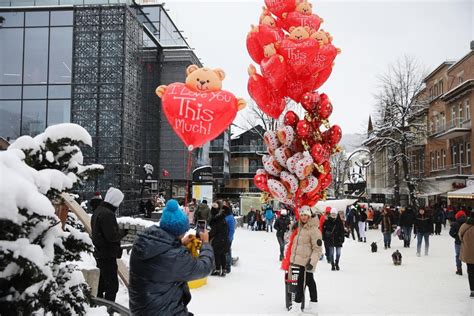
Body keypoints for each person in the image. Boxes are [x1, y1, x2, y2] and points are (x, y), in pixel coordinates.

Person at [129, 199, 214, 315]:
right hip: (163, 311)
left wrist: (179, 243)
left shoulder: (143, 242)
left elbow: (162, 259)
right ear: (179, 231)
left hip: (141, 308)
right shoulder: (174, 257)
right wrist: (205, 243)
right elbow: (204, 267)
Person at [91, 187, 128, 302]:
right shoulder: (107, 214)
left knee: (102, 284)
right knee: (112, 286)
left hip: (100, 253)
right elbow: (111, 236)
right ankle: (108, 309)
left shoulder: (98, 211)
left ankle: (99, 306)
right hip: (107, 254)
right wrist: (123, 232)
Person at [288, 206, 323, 313]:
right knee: (309, 282)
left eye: (305, 215)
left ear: (309, 216)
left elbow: (317, 249)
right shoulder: (300, 227)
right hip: (300, 261)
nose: (303, 217)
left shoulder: (313, 230)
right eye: (302, 215)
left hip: (307, 262)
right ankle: (313, 305)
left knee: (301, 283)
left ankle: (297, 307)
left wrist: (311, 263)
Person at [209, 202, 229, 277]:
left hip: (218, 239)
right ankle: (223, 270)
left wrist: (208, 235)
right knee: (222, 254)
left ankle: (217, 270)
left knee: (217, 254)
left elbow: (213, 231)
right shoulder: (223, 219)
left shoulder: (216, 220)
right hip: (224, 238)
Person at [458, 209, 474, 298]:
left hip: (469, 253)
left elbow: (460, 236)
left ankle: (472, 290)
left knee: (471, 272)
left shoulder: (464, 225)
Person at [450, 210, 467, 275]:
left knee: (458, 255)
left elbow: (451, 233)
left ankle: (459, 269)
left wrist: (456, 237)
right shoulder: (468, 223)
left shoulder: (455, 223)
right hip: (467, 242)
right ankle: (469, 269)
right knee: (468, 256)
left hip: (458, 242)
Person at [223, 204, 236, 274]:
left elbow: (231, 230)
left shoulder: (229, 218)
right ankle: (227, 264)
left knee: (227, 251)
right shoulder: (229, 217)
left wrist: (228, 238)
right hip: (227, 237)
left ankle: (228, 266)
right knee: (227, 251)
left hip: (228, 238)